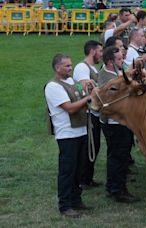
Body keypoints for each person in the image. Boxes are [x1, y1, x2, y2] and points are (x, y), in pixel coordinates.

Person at [45, 53, 94, 218]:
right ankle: (65, 205)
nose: (70, 68)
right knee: (67, 171)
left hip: (81, 130)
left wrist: (88, 90)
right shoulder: (53, 86)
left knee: (79, 169)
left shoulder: (73, 82)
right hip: (67, 134)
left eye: (70, 65)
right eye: (67, 66)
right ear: (57, 68)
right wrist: (89, 98)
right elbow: (70, 108)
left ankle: (76, 199)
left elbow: (81, 95)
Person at [98, 46, 141, 203]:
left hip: (118, 122)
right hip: (115, 123)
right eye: (119, 59)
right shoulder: (107, 77)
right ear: (110, 61)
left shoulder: (112, 73)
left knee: (116, 156)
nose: (122, 61)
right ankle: (118, 190)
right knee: (119, 156)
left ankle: (113, 186)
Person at [72, 40, 103, 190]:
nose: (101, 55)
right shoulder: (81, 67)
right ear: (92, 51)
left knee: (94, 145)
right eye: (100, 51)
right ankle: (83, 179)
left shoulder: (92, 68)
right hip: (87, 113)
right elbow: (85, 87)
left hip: (94, 112)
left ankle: (87, 177)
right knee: (89, 146)